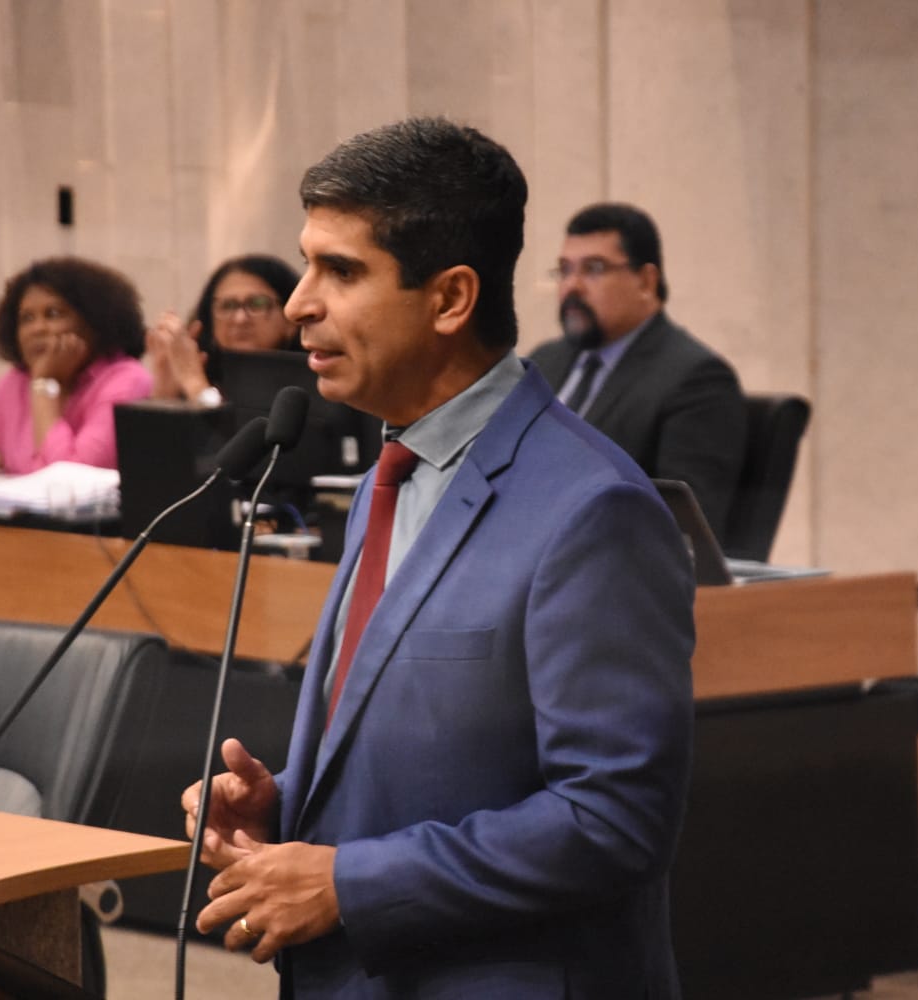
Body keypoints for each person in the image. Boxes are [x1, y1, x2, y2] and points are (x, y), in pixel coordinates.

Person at [181, 118, 696, 998]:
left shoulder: (592, 510)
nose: (299, 304)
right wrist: (290, 802)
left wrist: (349, 883)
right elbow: (445, 754)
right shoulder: (392, 473)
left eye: (341, 271)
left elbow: (614, 819)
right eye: (306, 265)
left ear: (451, 299)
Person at [528, 202, 747, 538]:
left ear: (646, 281)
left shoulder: (697, 379)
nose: (572, 286)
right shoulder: (544, 361)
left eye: (594, 269)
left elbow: (683, 527)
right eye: (565, 269)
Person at [0, 256, 151, 474]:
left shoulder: (127, 381)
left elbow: (70, 476)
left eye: (53, 314)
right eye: (27, 318)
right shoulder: (15, 382)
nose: (37, 329)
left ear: (93, 322)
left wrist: (45, 384)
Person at [144, 254, 302, 406]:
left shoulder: (307, 385)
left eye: (257, 304)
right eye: (228, 306)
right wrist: (165, 393)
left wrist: (195, 385)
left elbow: (233, 426)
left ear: (291, 318)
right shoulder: (204, 373)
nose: (240, 319)